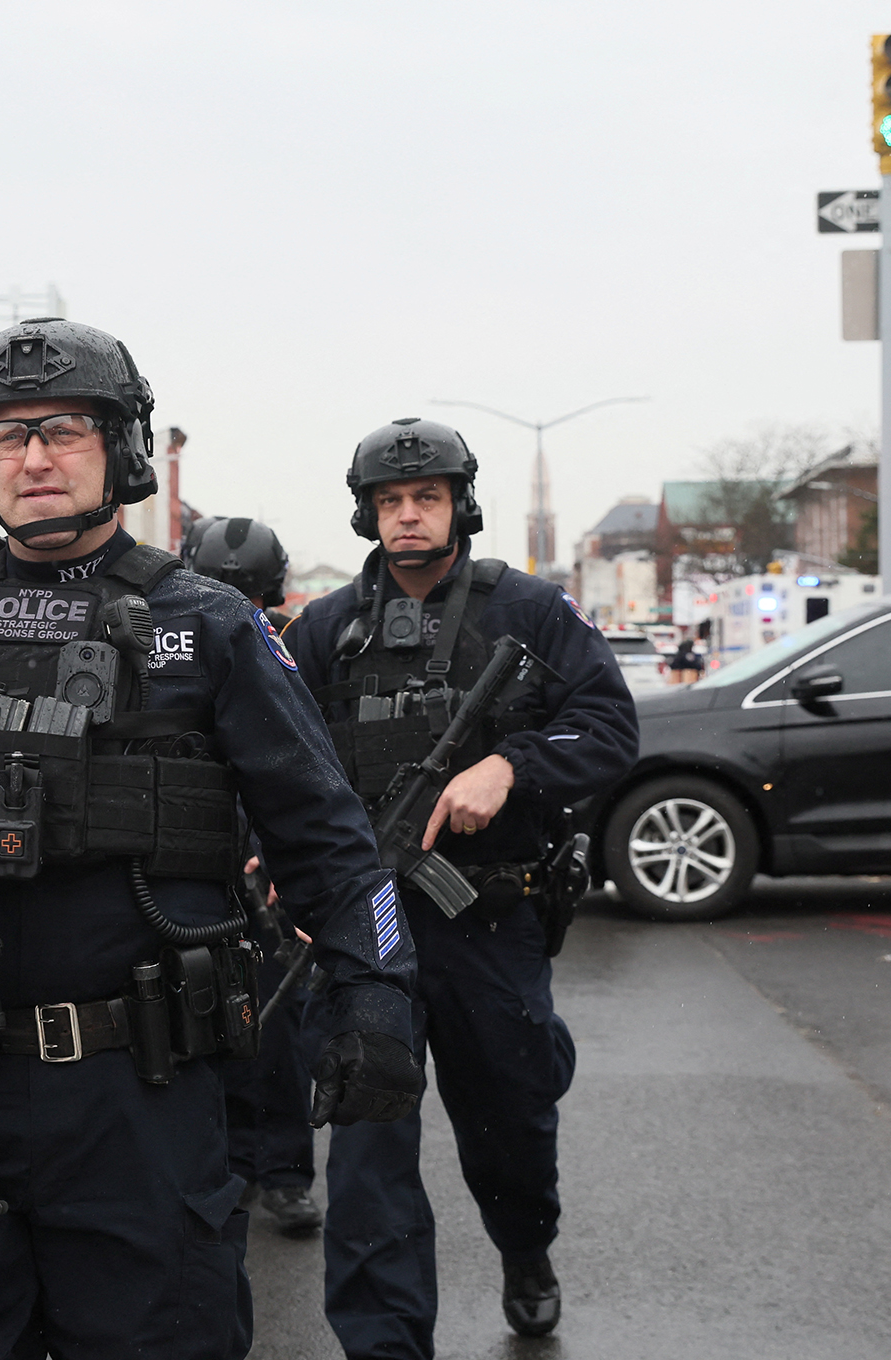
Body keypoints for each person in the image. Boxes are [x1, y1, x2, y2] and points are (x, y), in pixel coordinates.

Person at [0, 319, 425, 1360]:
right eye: (6, 435)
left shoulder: (206, 624)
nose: (32, 456)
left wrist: (379, 994)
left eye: (63, 429)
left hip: (142, 1101)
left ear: (119, 447)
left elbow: (333, 843)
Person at [285, 418, 638, 1354]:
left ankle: (527, 1251)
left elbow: (607, 725)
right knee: (367, 1147)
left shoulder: (529, 611)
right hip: (369, 924)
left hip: (488, 917)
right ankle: (384, 1340)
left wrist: (511, 767)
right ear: (368, 514)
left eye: (426, 499)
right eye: (391, 502)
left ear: (460, 505)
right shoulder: (323, 630)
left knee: (509, 1125)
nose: (408, 517)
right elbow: (275, 763)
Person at [186, 515, 322, 1238]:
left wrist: (278, 862)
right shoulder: (161, 649)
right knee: (204, 1033)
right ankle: (232, 1166)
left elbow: (305, 775)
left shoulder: (287, 650)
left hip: (264, 880)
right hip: (196, 873)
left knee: (276, 1039)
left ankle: (287, 1175)